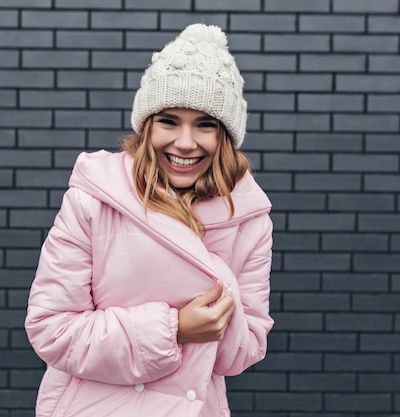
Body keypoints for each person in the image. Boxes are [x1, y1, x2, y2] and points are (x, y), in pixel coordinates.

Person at [25, 23, 274, 417]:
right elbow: (51, 329)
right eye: (169, 121)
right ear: (147, 127)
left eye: (205, 124)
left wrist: (218, 319)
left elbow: (244, 352)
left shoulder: (249, 218)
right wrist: (174, 329)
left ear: (225, 136)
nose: (186, 143)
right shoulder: (93, 199)